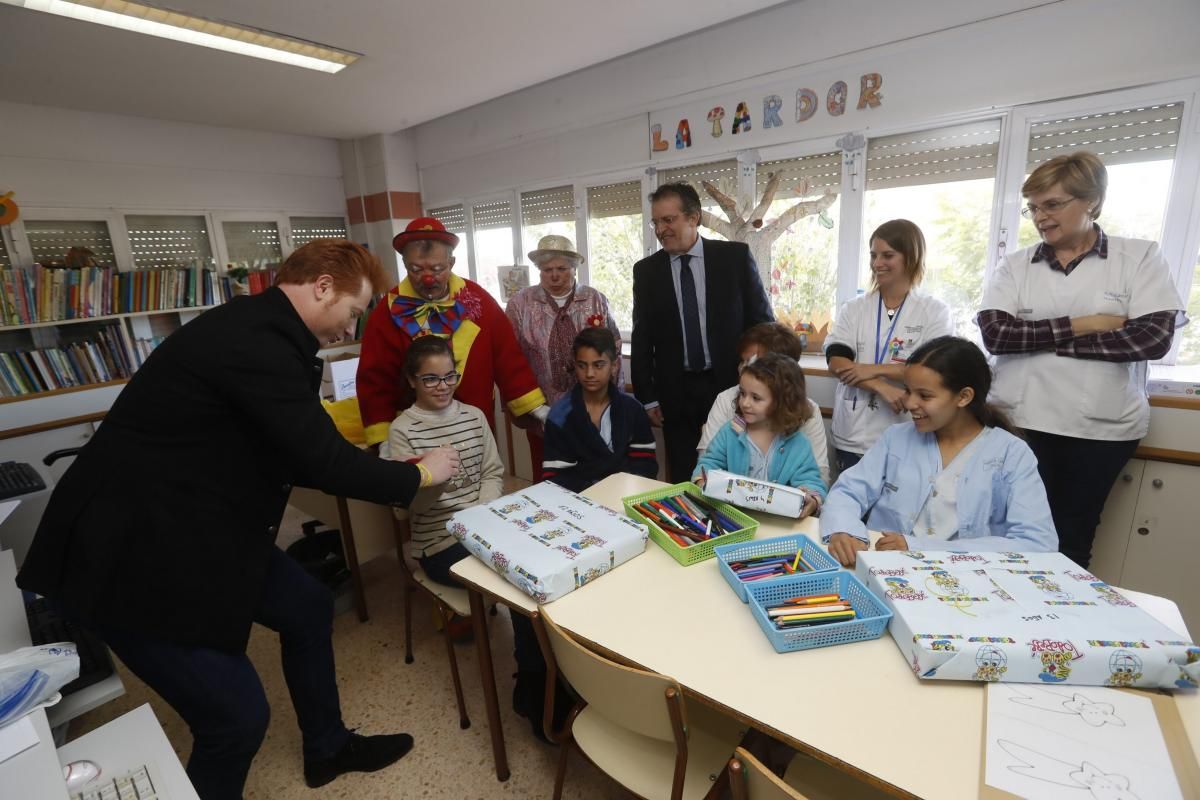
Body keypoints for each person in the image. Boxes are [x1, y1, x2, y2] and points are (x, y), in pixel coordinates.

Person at [16, 240, 462, 799]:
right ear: (323, 286)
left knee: (307, 606)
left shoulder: (261, 330)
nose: (349, 329)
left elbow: (287, 450)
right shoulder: (257, 343)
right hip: (132, 552)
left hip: (202, 527)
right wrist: (417, 476)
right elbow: (321, 461)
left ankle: (327, 748)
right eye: (352, 312)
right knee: (235, 720)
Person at [976, 151, 1186, 569]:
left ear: (1091, 201)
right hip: (1021, 422)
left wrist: (1040, 339)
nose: (1041, 217)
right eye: (1033, 208)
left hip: (1099, 430)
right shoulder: (1016, 265)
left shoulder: (1139, 258)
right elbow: (997, 335)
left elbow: (1151, 339)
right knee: (1002, 532)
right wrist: (1087, 324)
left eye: (1052, 204)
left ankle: (1057, 612)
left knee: (1071, 538)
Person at [822, 336, 1057, 567]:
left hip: (965, 577)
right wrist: (844, 530)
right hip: (885, 569)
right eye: (908, 391)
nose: (910, 403)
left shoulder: (1011, 454)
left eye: (924, 396)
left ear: (964, 397)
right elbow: (848, 492)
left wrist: (920, 548)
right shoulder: (896, 438)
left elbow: (1037, 543)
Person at [356, 216, 549, 448]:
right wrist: (382, 438)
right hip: (416, 435)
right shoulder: (386, 311)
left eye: (437, 269)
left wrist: (535, 406)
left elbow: (508, 357)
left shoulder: (478, 300)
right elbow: (375, 380)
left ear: (452, 262)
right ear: (405, 264)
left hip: (475, 428)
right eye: (416, 269)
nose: (428, 278)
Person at [631, 182, 773, 483]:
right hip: (675, 390)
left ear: (693, 217)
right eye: (656, 222)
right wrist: (648, 397)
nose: (661, 229)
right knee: (684, 474)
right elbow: (642, 337)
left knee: (733, 469)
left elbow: (763, 324)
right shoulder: (646, 272)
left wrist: (761, 379)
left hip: (730, 385)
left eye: (668, 220)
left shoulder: (734, 258)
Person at [824, 219, 953, 474]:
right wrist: (880, 385)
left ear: (911, 257)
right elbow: (837, 361)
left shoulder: (934, 312)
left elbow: (934, 371)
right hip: (854, 434)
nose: (877, 263)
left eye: (888, 255)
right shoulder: (854, 308)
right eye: (873, 255)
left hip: (908, 430)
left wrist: (870, 369)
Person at [386, 336, 505, 578]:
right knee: (504, 576)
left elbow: (491, 473)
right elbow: (411, 506)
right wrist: (435, 476)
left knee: (526, 560)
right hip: (439, 543)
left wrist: (481, 517)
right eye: (431, 379)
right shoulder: (402, 430)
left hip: (484, 527)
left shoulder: (474, 416)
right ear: (411, 380)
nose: (443, 386)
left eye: (450, 376)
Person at [505, 234, 622, 480]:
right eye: (547, 270)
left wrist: (610, 404)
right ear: (539, 270)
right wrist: (537, 410)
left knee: (593, 477)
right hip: (542, 413)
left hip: (593, 413)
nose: (554, 276)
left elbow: (614, 352)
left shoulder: (595, 299)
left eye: (562, 269)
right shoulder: (520, 304)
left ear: (574, 268)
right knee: (548, 477)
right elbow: (510, 359)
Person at [694, 353, 826, 517]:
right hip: (732, 518)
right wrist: (701, 480)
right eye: (742, 394)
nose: (745, 403)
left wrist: (811, 500)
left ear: (782, 402)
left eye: (756, 398)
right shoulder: (730, 432)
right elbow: (709, 463)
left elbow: (810, 481)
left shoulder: (799, 443)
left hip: (778, 522)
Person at [697, 321, 829, 484]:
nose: (743, 369)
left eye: (753, 363)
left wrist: (807, 494)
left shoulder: (803, 427)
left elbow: (815, 477)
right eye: (743, 361)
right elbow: (707, 463)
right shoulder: (727, 404)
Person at [542, 327, 658, 492]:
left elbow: (645, 465)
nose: (589, 373)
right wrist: (597, 492)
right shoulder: (559, 417)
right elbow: (556, 478)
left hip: (628, 495)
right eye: (582, 366)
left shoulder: (633, 410)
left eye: (598, 365)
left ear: (614, 365)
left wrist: (623, 490)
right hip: (579, 500)